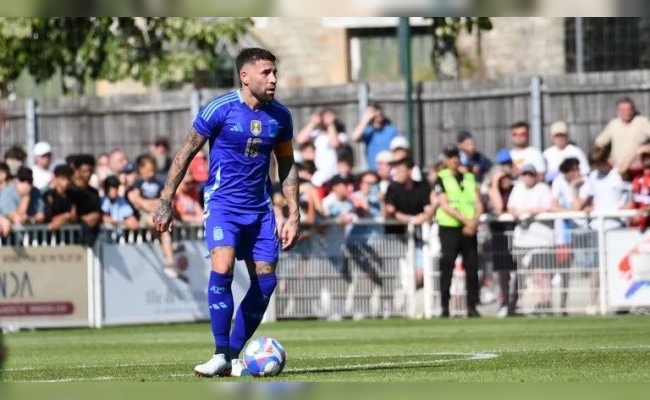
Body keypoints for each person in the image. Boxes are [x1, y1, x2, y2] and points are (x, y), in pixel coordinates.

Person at [152, 47, 299, 378]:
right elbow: (186, 152)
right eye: (266, 73)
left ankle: (233, 356)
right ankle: (220, 352)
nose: (274, 79)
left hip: (260, 210)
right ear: (245, 76)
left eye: (275, 72)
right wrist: (166, 200)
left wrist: (294, 214)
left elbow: (287, 163)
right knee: (223, 265)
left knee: (266, 281)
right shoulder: (220, 109)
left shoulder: (281, 116)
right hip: (223, 206)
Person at [434, 145, 483, 318]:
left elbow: (478, 201)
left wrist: (475, 221)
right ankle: (445, 306)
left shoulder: (470, 178)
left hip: (469, 229)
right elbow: (444, 204)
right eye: (451, 156)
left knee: (472, 266)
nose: (455, 159)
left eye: (456, 156)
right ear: (446, 160)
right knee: (447, 265)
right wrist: (467, 221)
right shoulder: (441, 178)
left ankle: (472, 305)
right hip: (450, 227)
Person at [594, 97, 650, 168]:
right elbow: (599, 143)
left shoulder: (642, 122)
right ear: (617, 111)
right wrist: (606, 158)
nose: (626, 112)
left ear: (633, 109)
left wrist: (646, 149)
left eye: (629, 109)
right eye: (623, 110)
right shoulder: (613, 124)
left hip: (637, 168)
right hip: (617, 168)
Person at [350, 102, 399, 172]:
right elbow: (354, 137)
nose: (377, 120)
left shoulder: (391, 131)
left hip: (389, 170)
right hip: (374, 170)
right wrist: (366, 119)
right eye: (374, 118)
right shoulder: (369, 131)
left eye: (379, 116)